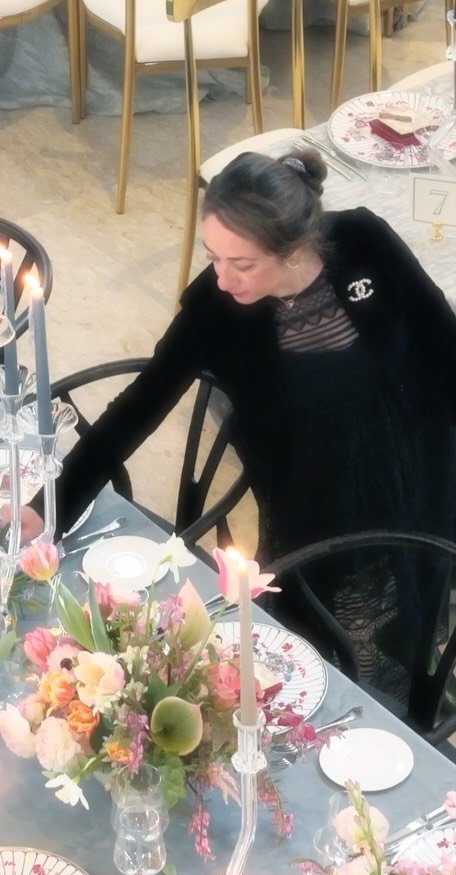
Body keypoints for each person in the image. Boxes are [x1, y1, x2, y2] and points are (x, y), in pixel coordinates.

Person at [23, 148, 456, 666]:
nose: (224, 279)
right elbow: (138, 407)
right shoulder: (215, 306)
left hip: (420, 478)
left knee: (415, 624)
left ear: (293, 251)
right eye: (214, 257)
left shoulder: (365, 240)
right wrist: (47, 507)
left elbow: (444, 349)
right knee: (336, 649)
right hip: (314, 512)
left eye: (243, 264)